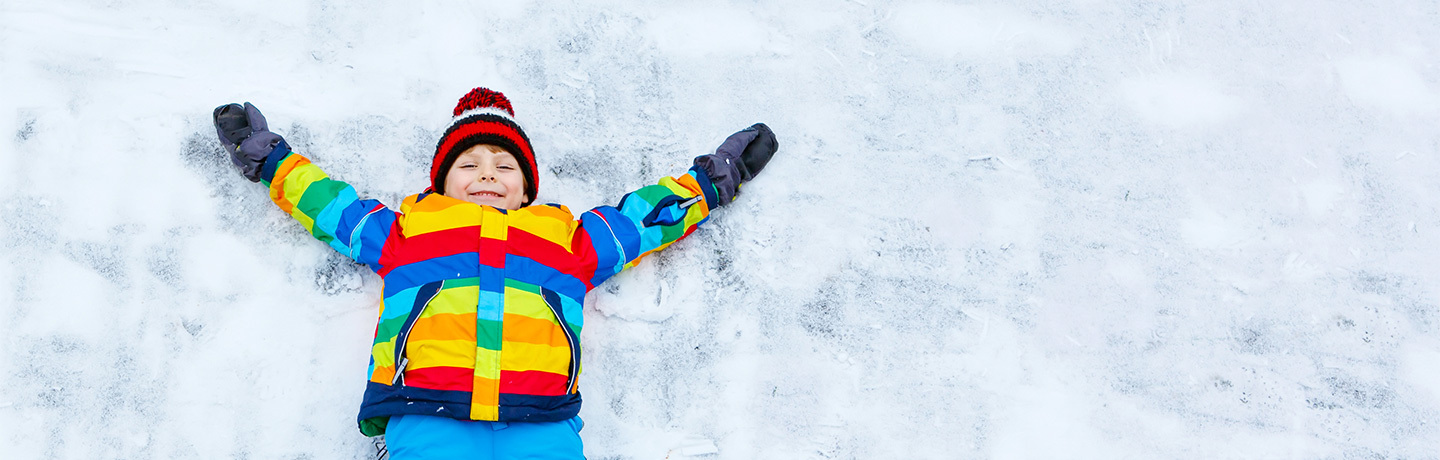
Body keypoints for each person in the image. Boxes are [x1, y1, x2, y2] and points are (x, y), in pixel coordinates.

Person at [212, 87, 777, 460]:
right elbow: (330, 205)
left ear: (527, 187)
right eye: (469, 165)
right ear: (442, 183)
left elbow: (645, 218)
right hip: (427, 408)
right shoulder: (408, 229)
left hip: (542, 419)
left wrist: (712, 179)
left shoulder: (568, 239)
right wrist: (272, 160)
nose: (488, 175)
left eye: (505, 166)